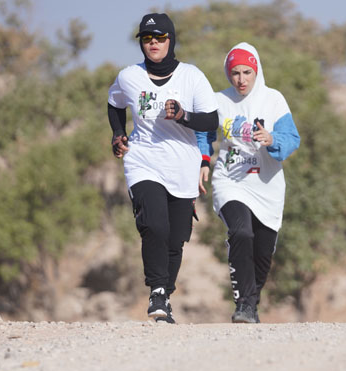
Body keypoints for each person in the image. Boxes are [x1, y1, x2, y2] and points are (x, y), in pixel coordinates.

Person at [107, 13, 218, 324]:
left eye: (159, 37)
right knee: (154, 225)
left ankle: (165, 293)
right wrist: (118, 134)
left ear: (171, 39)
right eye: (146, 38)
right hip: (143, 160)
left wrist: (183, 116)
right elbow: (114, 103)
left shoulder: (191, 77)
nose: (153, 43)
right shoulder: (129, 76)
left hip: (182, 165)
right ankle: (156, 290)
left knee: (176, 236)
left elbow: (211, 121)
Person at [198, 42, 300, 323]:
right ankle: (243, 304)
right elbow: (202, 132)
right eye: (235, 73)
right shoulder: (219, 100)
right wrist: (203, 160)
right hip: (231, 181)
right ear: (228, 74)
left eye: (246, 72)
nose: (241, 79)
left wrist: (272, 139)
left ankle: (251, 305)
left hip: (267, 187)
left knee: (263, 253)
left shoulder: (274, 100)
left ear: (257, 71)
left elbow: (292, 139)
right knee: (241, 233)